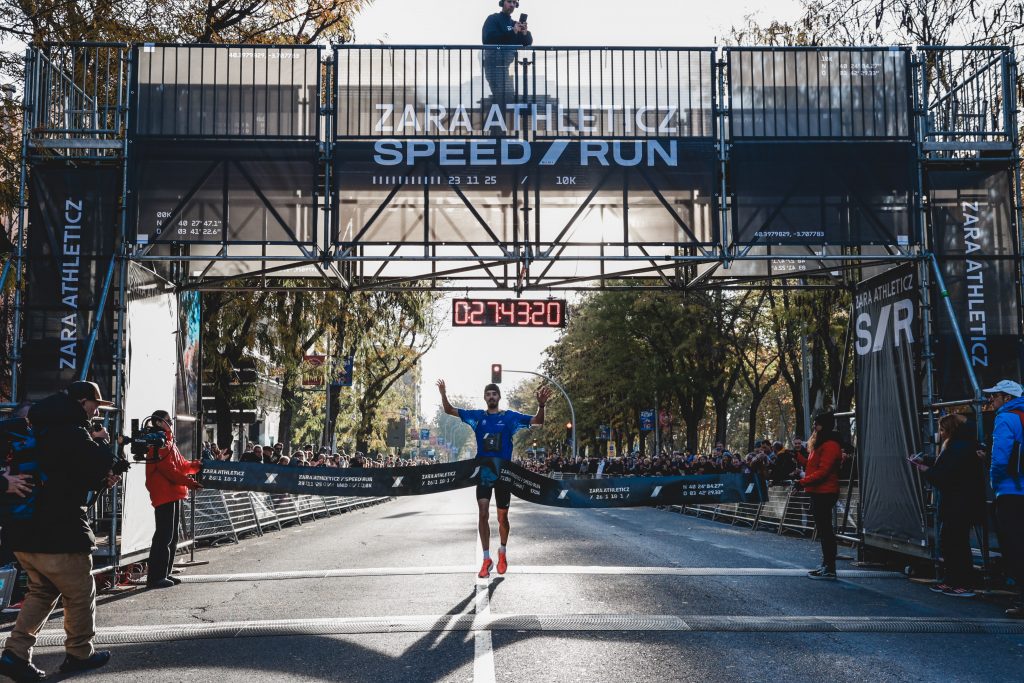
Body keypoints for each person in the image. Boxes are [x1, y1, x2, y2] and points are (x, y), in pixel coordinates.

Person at [0, 381, 119, 681]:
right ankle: (79, 653)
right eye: (94, 405)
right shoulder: (72, 431)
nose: (96, 413)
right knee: (80, 591)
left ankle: (15, 653)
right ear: (81, 402)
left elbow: (67, 476)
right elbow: (97, 466)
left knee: (42, 591)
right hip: (59, 532)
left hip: (24, 531)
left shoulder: (38, 427)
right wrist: (103, 445)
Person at [437, 378, 552, 578]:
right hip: (483, 473)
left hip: (503, 474)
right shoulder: (476, 417)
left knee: (502, 517)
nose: (491, 396)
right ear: (485, 397)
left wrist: (541, 405)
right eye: (488, 394)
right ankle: (486, 558)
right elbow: (450, 410)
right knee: (483, 513)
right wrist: (443, 394)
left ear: (499, 397)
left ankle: (503, 551)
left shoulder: (510, 418)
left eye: (494, 393)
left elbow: (538, 421)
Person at [911, 413, 985, 597]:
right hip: (962, 501)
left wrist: (926, 470)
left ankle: (961, 582)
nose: (940, 433)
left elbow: (944, 474)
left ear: (950, 430)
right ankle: (954, 580)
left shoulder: (955, 448)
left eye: (943, 430)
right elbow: (945, 466)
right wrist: (928, 464)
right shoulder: (963, 445)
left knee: (955, 542)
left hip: (958, 502)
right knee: (953, 541)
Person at [144, 410, 202, 589]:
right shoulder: (159, 442)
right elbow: (168, 470)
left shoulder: (168, 442)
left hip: (172, 492)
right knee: (164, 535)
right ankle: (156, 577)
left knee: (171, 535)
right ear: (159, 422)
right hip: (164, 493)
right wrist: (189, 482)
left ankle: (164, 573)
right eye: (169, 420)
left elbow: (181, 465)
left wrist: (198, 466)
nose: (171, 422)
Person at [982, 379, 1024, 617]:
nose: (991, 400)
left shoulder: (1005, 418)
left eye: (994, 396)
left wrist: (995, 483)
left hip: (1011, 490)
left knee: (1014, 545)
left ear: (1007, 398)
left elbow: (1000, 459)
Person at [797, 412, 844, 580]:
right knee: (824, 531)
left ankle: (830, 567)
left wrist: (802, 482)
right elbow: (812, 465)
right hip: (818, 491)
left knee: (826, 531)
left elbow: (823, 472)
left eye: (817, 424)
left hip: (825, 491)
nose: (814, 427)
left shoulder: (830, 444)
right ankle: (826, 564)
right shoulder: (821, 444)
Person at [481, 0, 532, 115]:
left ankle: (499, 130)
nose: (512, 5)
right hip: (493, 66)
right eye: (509, 1)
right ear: (502, 3)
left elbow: (526, 42)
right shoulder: (493, 19)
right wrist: (513, 31)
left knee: (506, 100)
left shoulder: (514, 23)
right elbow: (489, 39)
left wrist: (524, 32)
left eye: (514, 3)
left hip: (505, 68)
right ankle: (496, 130)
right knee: (502, 100)